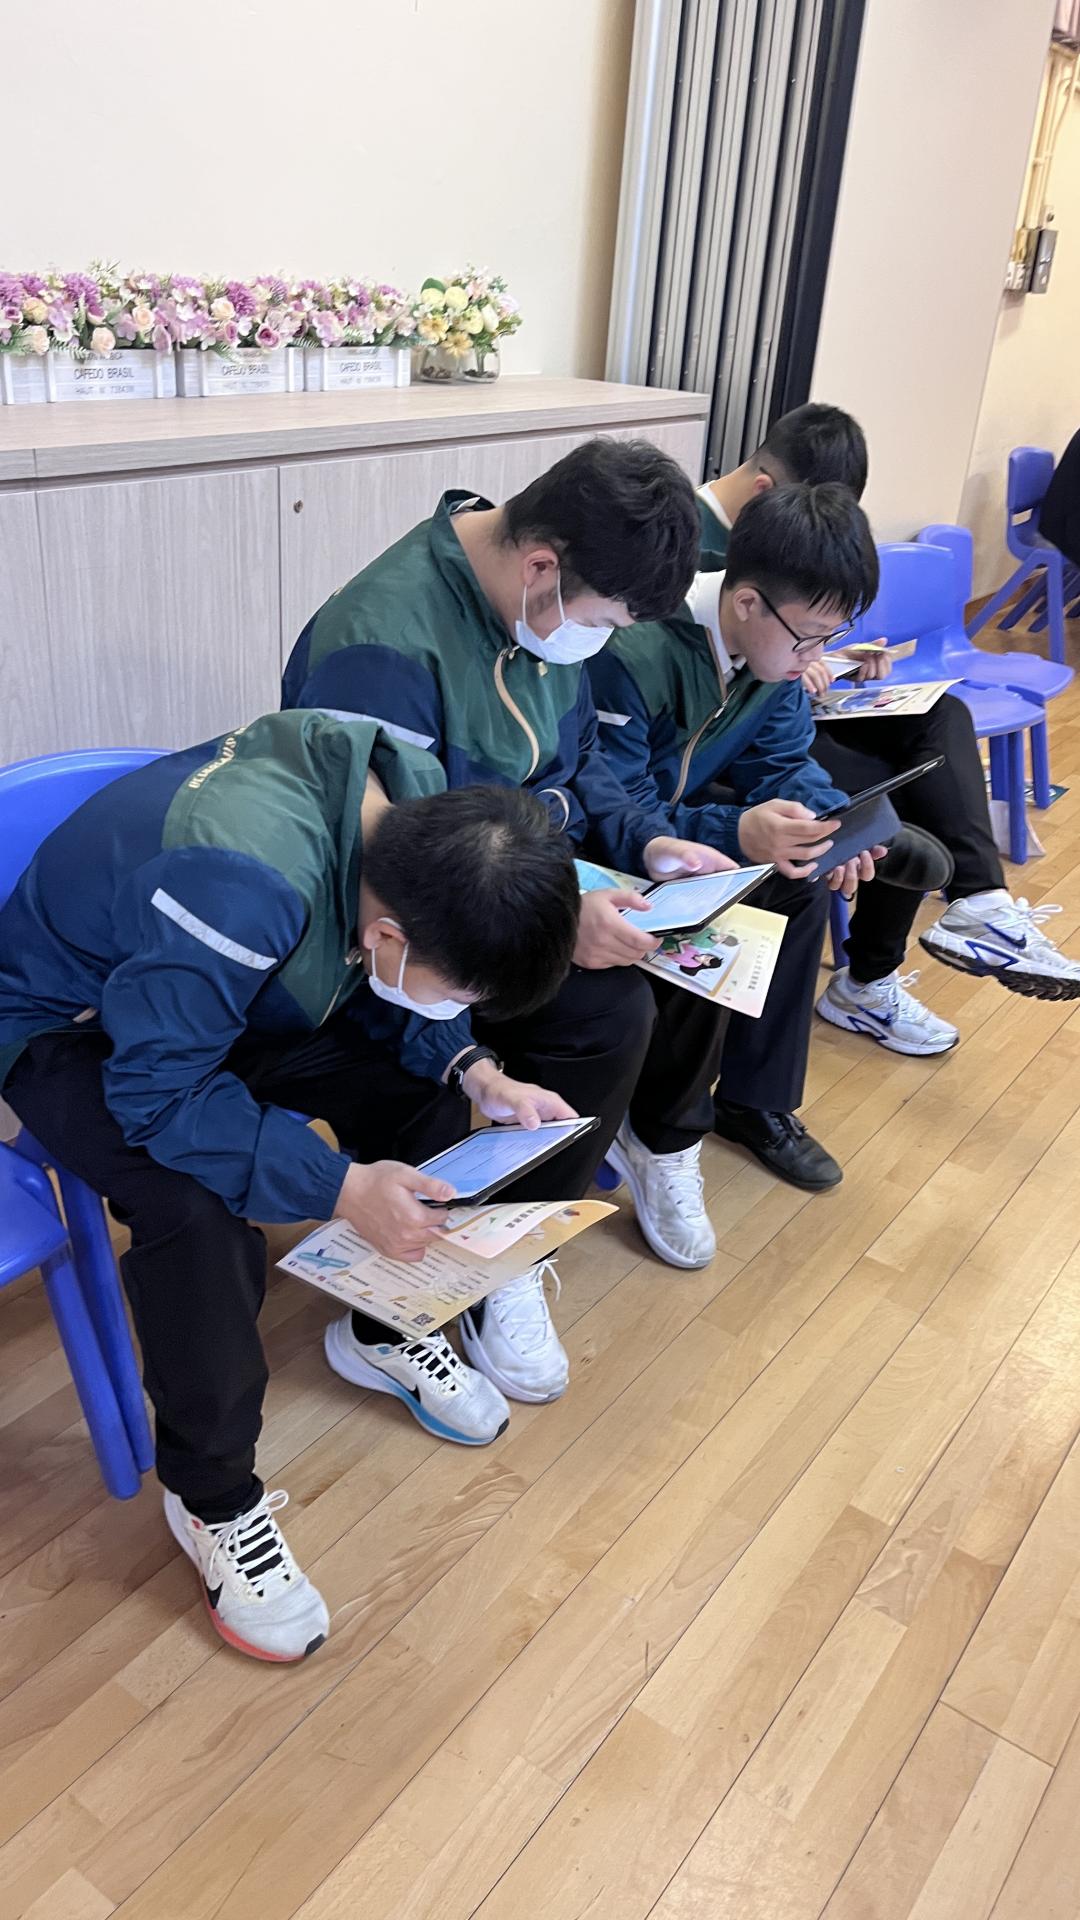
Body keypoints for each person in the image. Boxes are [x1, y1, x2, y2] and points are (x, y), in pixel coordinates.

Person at [0, 712, 585, 1662]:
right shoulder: (237, 884)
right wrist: (340, 1186)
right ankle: (212, 1499)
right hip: (70, 1025)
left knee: (424, 1095)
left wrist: (476, 1067)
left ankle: (384, 1325)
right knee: (196, 1215)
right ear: (388, 933)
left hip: (219, 995)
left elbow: (375, 972)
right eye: (459, 993)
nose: (456, 1007)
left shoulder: (409, 805)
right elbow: (158, 1093)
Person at [282, 436, 744, 1279]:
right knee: (609, 1014)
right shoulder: (380, 652)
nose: (596, 642)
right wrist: (560, 919)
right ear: (541, 567)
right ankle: (500, 1256)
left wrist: (645, 840)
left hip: (529, 876)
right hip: (413, 937)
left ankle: (618, 1170)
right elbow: (397, 885)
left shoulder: (536, 606)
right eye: (602, 622)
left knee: (699, 955)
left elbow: (580, 758)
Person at [700, 403, 1080, 1051]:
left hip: (796, 706)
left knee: (940, 714)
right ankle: (869, 982)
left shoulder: (781, 581)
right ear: (769, 495)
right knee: (897, 793)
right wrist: (797, 662)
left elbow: (788, 637)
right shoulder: (688, 546)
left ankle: (980, 903)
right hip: (740, 740)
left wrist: (834, 656)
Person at [589, 481, 892, 1208]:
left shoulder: (772, 654)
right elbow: (614, 813)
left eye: (831, 637)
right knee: (747, 887)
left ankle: (755, 1103)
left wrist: (830, 822)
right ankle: (663, 1133)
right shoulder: (635, 647)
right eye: (810, 637)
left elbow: (784, 761)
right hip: (606, 854)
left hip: (681, 830)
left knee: (802, 874)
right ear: (747, 601)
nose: (816, 657)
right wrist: (737, 831)